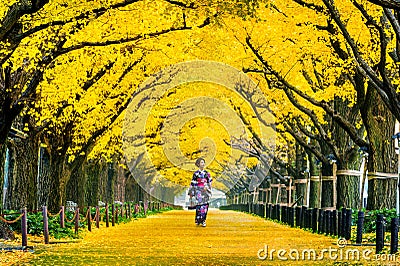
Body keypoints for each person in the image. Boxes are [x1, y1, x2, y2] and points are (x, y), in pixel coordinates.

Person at [188, 157, 212, 227]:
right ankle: (198, 220)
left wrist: (208, 188)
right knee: (199, 205)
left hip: (205, 191)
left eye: (203, 162)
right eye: (201, 162)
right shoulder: (195, 174)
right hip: (198, 191)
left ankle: (203, 220)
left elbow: (209, 182)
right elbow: (193, 183)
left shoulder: (207, 173)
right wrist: (191, 193)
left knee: (205, 206)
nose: (203, 164)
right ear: (198, 164)